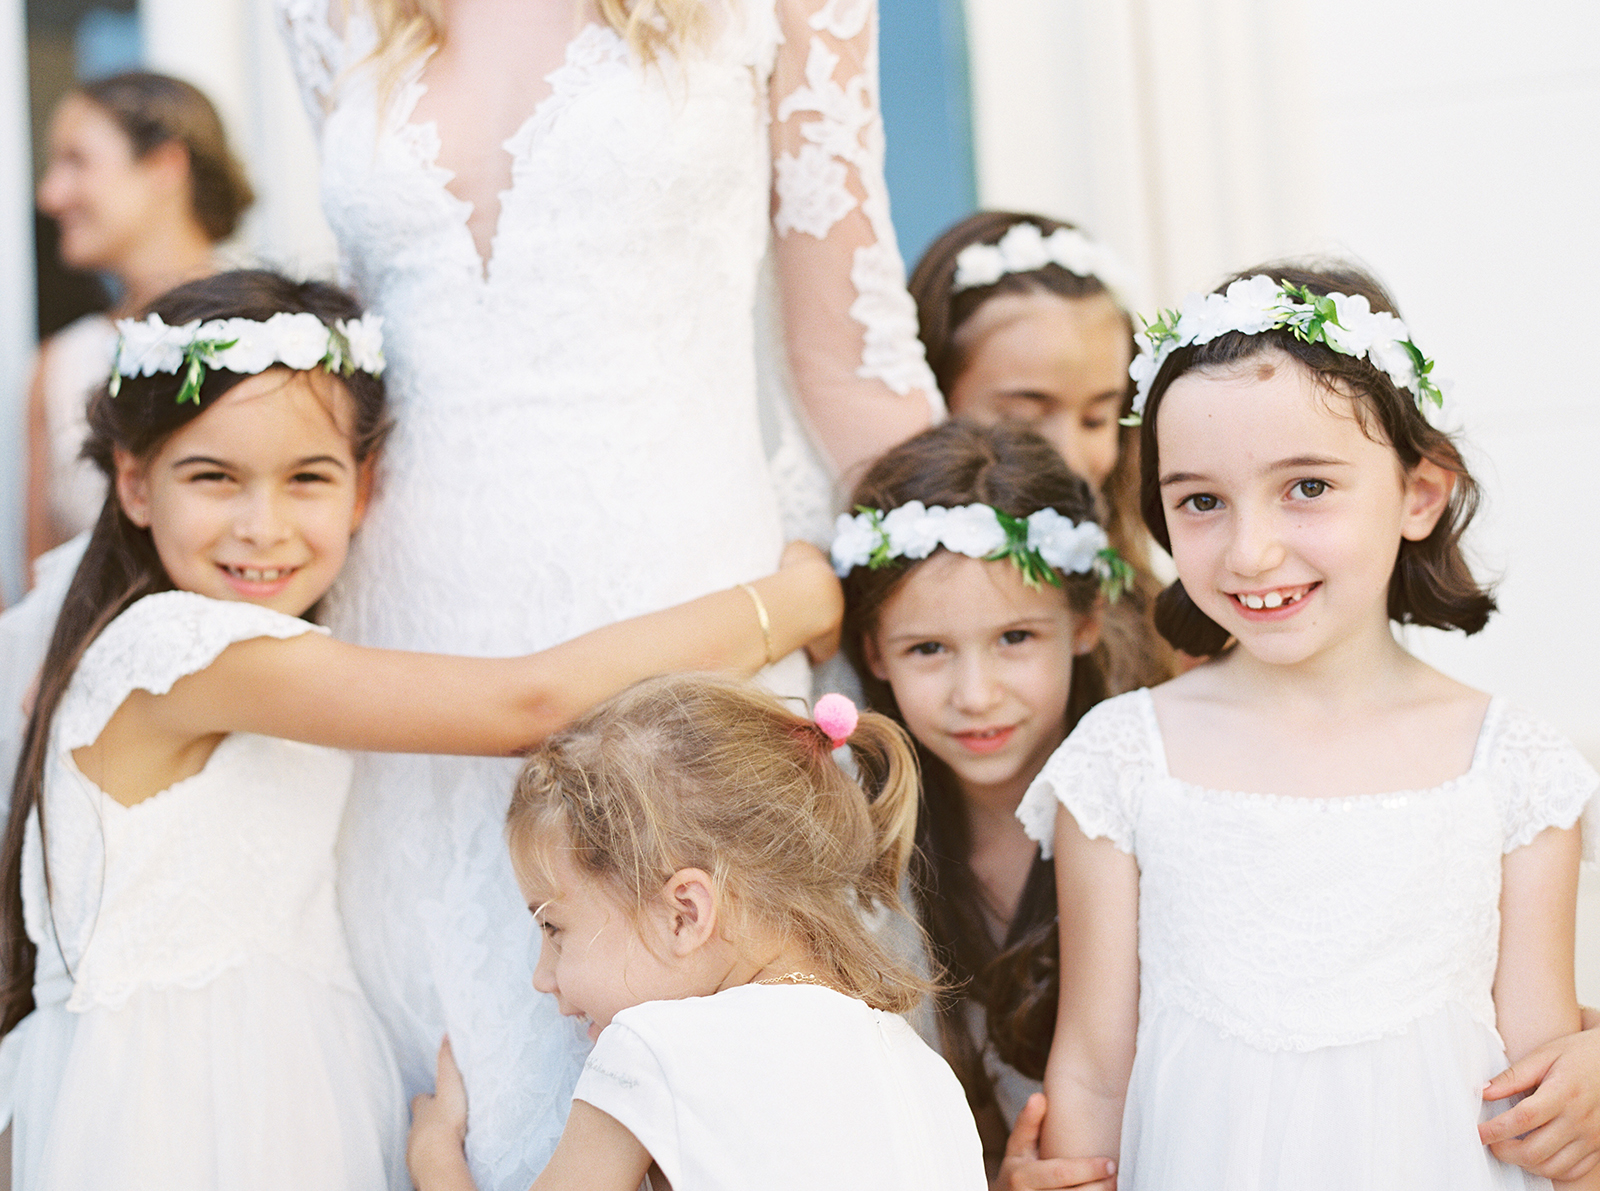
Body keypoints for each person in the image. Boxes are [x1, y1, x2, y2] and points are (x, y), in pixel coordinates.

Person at [271, 3, 939, 1180]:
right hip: (413, 669)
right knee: (436, 1083)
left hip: (686, 639)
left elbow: (850, 355)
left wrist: (975, 568)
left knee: (710, 1103)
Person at [0, 271, 841, 1190]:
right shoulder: (181, 646)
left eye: (306, 478)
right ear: (133, 483)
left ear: (364, 488)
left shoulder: (237, 643)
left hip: (267, 1073)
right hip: (182, 1102)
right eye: (213, 477)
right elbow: (529, 706)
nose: (262, 524)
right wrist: (786, 602)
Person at [1016, 263, 1600, 1189]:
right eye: (1201, 500)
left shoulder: (1514, 768)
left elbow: (1543, 1086)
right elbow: (1092, 1065)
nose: (1252, 550)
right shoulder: (1126, 759)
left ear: (1420, 493)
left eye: (1308, 488)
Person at [407, 675, 986, 1191]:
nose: (542, 977)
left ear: (684, 913)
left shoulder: (653, 1050)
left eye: (554, 928)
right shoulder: (932, 1081)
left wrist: (433, 1156)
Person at [832, 420, 1120, 1191]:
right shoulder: (874, 851)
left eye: (1016, 636)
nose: (975, 694)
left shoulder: (1150, 799)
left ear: (1084, 623)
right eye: (929, 649)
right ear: (875, 653)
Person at [909, 212, 1173, 693]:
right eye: (1024, 421)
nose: (1069, 458)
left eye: (1096, 419)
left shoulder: (1165, 632)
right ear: (934, 397)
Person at [29, 70, 251, 566]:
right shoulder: (60, 362)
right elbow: (40, 580)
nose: (50, 196)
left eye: (76, 161)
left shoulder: (274, 335)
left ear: (163, 165)